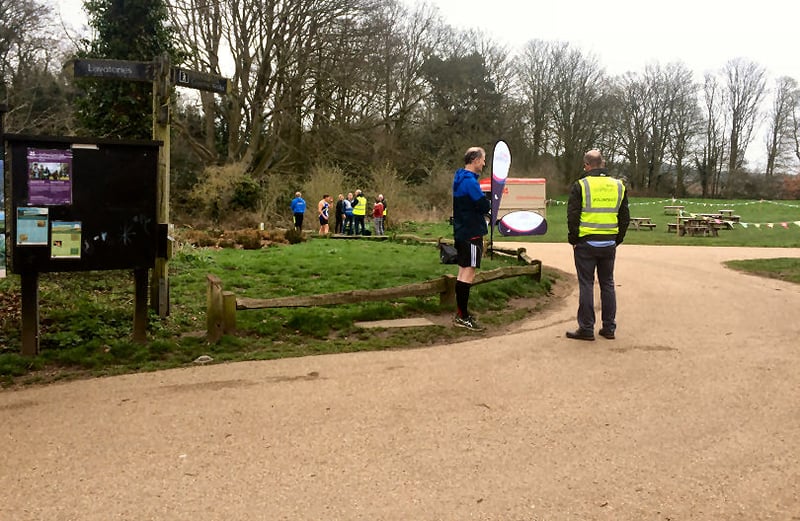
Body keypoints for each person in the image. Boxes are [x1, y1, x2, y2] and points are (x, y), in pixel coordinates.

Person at [565, 149, 630, 341]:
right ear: (602, 164)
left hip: (586, 241)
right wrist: (617, 239)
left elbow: (573, 216)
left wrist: (574, 240)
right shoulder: (619, 185)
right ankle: (609, 327)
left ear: (586, 165)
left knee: (586, 284)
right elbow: (625, 217)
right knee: (607, 283)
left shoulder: (581, 185)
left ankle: (586, 328)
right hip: (609, 241)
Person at [452, 146, 491, 331]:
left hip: (461, 231)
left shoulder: (459, 178)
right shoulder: (470, 182)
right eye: (483, 159)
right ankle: (463, 316)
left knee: (462, 273)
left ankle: (461, 312)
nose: (484, 163)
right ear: (475, 160)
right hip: (472, 233)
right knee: (468, 274)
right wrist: (490, 203)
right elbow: (482, 205)